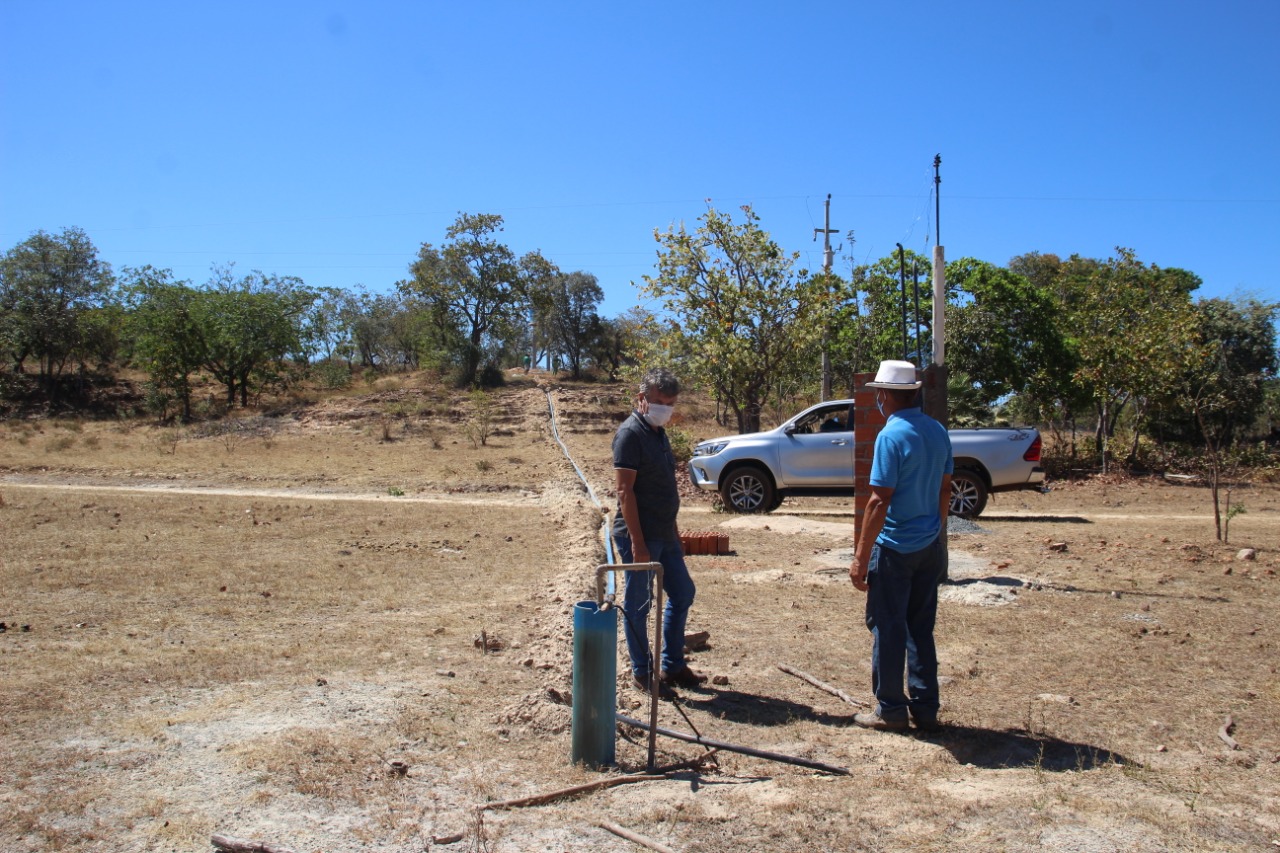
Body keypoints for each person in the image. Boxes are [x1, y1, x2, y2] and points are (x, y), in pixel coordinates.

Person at [850, 360, 952, 732]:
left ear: (884, 395)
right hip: (928, 546)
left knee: (888, 627)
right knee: (920, 628)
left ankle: (891, 709)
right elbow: (945, 489)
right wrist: (935, 533)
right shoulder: (938, 431)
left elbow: (879, 501)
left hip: (895, 549)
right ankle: (925, 707)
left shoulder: (891, 436)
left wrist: (861, 557)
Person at [613, 367, 707, 696]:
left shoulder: (657, 433)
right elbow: (625, 492)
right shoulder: (630, 434)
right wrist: (638, 544)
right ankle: (643, 673)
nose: (664, 409)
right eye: (658, 402)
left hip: (665, 535)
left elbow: (665, 487)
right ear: (641, 399)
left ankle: (673, 666)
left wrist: (675, 531)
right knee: (638, 605)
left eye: (670, 403)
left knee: (682, 593)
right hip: (638, 536)